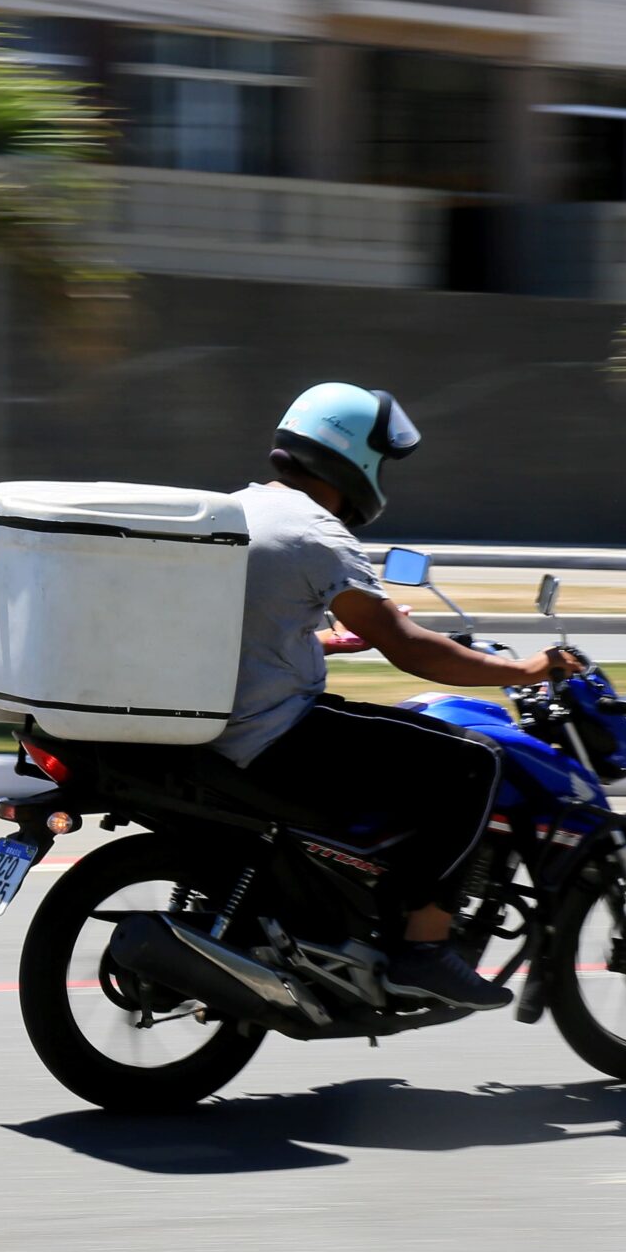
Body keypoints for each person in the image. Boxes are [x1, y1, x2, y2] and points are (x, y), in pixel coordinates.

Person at [209, 381, 578, 1011]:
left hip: (224, 719)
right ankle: (424, 948)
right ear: (355, 459)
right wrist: (523, 671)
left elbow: (237, 631)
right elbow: (410, 646)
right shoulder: (317, 534)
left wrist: (323, 646)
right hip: (269, 733)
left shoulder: (235, 508)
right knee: (471, 761)